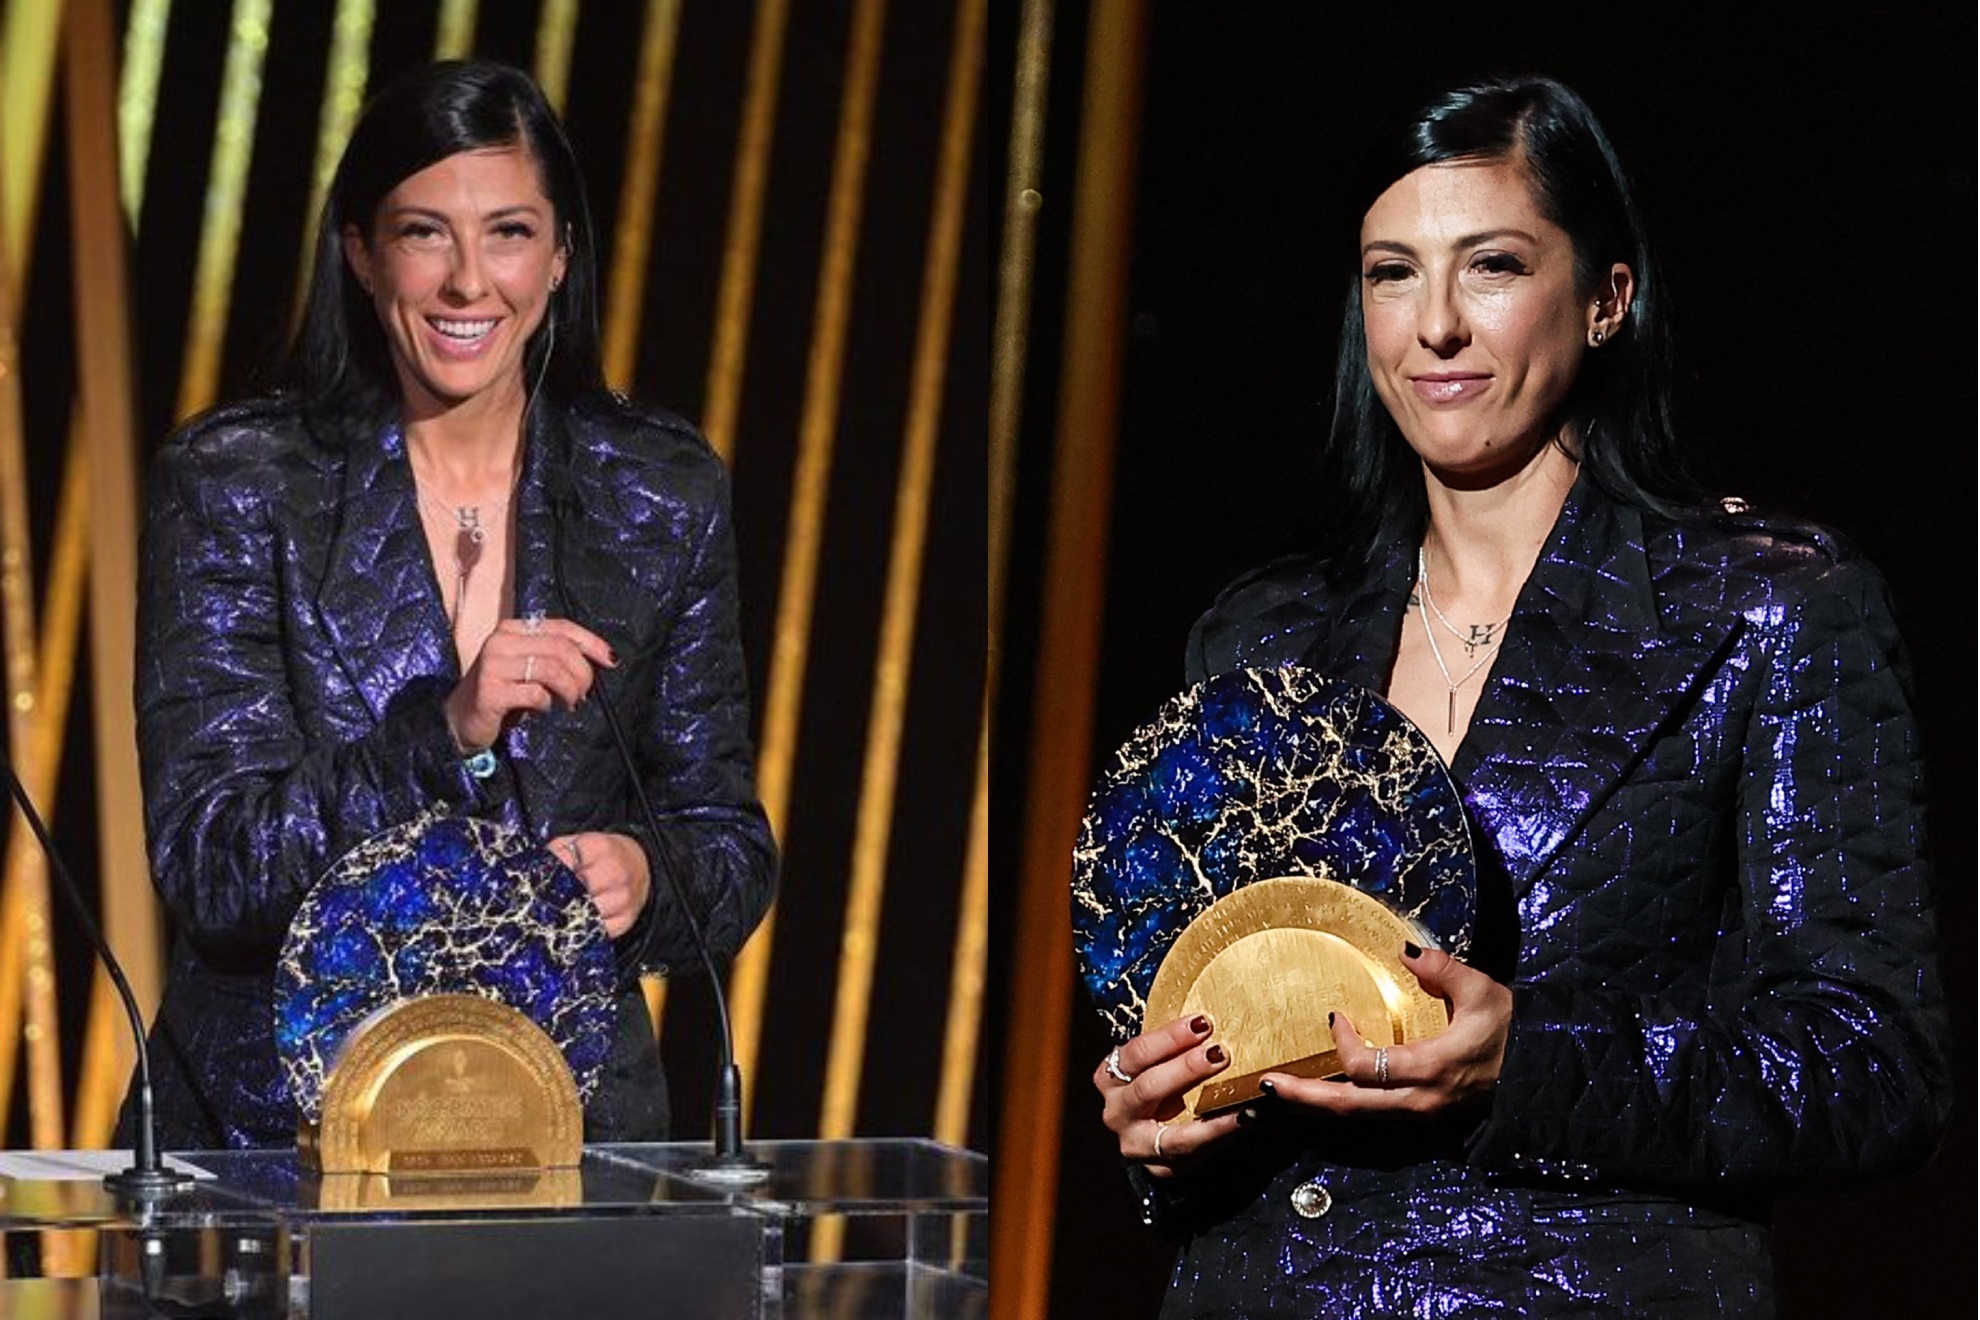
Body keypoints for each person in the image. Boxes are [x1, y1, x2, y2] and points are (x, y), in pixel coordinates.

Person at [1091, 76, 1949, 1316]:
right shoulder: (1261, 634)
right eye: (1393, 272)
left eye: (1489, 266)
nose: (1433, 325)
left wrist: (1528, 1064)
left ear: (1606, 299)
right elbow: (1214, 1018)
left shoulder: (1772, 609)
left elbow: (1878, 1069)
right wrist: (1160, 1108)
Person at [117, 60, 776, 1149]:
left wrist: (650, 876)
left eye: (509, 232)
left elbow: (729, 844)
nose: (470, 282)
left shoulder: (660, 496)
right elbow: (214, 864)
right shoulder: (236, 482)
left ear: (561, 255)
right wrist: (443, 735)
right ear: (362, 254)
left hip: (566, 1135)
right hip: (276, 1137)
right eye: (426, 233)